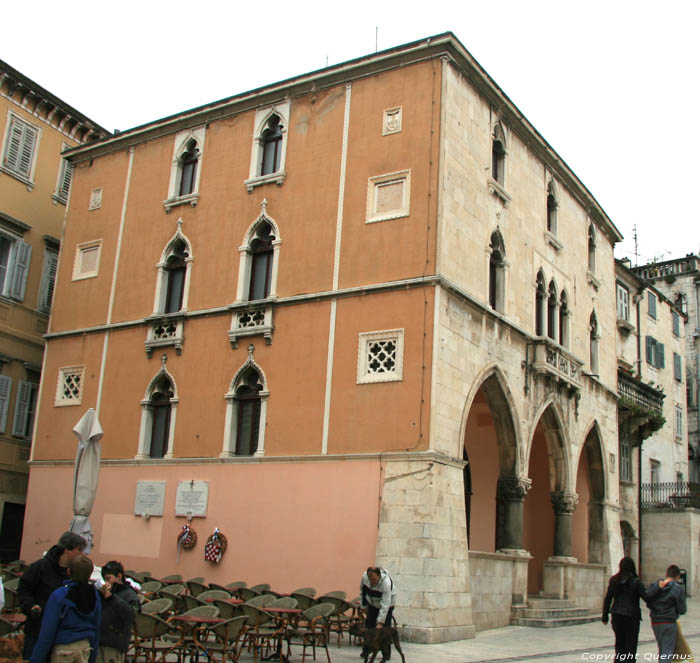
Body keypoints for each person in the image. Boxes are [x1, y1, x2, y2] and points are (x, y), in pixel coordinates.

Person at [18, 532, 87, 660]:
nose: (82, 554)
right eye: (79, 550)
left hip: (62, 636)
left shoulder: (76, 572)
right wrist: (31, 606)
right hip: (37, 630)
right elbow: (24, 589)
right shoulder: (40, 567)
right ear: (67, 550)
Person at [30, 554, 101, 663]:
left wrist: (37, 659)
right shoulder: (95, 596)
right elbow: (97, 626)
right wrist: (93, 656)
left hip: (64, 649)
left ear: (68, 572)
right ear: (90, 574)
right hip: (85, 648)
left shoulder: (59, 595)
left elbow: (48, 630)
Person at [601, 556, 647, 661]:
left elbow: (608, 599)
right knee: (631, 647)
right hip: (631, 617)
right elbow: (647, 597)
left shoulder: (613, 580)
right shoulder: (636, 582)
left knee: (619, 646)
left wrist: (605, 617)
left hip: (617, 616)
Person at [96, 561, 139, 663]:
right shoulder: (108, 592)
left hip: (115, 644)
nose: (106, 582)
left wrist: (112, 599)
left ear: (119, 576)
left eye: (108, 578)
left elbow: (131, 615)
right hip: (100, 641)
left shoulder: (130, 594)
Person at [646, 564, 687, 662]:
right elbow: (682, 609)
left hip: (655, 622)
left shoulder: (655, 585)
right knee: (667, 651)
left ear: (666, 574)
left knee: (662, 650)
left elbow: (648, 602)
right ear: (677, 577)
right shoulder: (677, 588)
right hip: (669, 622)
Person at [360, 567, 397, 659]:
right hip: (372, 603)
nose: (372, 581)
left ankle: (386, 654)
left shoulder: (386, 583)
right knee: (370, 626)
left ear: (379, 576)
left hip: (388, 605)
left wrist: (380, 622)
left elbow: (385, 603)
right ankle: (367, 650)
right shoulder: (364, 578)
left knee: (385, 630)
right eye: (370, 579)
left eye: (374, 579)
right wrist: (363, 606)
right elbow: (363, 592)